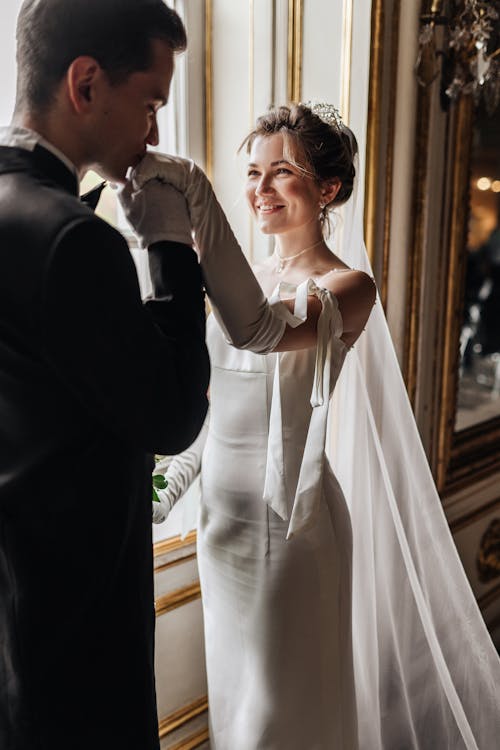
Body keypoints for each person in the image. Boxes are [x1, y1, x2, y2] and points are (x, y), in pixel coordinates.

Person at [123, 102, 500, 750]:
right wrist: (168, 483)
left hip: (288, 526)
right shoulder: (246, 278)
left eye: (281, 172)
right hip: (223, 523)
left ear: (327, 189)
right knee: (238, 707)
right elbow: (216, 406)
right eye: (252, 173)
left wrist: (190, 199)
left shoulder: (349, 287)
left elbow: (260, 332)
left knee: (280, 711)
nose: (260, 189)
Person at [0, 2, 215, 748]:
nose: (154, 130)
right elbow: (175, 412)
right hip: (78, 628)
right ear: (86, 82)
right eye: (151, 100)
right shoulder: (70, 239)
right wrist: (168, 249)